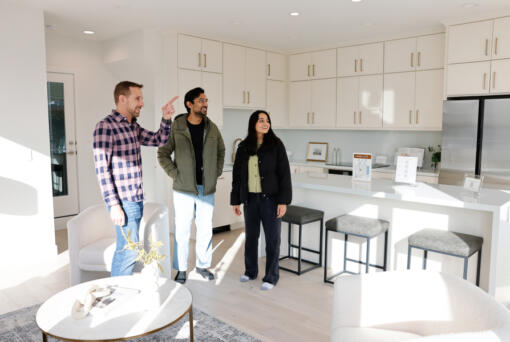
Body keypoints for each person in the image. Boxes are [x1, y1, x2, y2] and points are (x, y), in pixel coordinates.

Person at [93, 81, 178, 277]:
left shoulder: (132, 127)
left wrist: (166, 119)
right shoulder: (105, 127)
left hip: (136, 198)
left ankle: (118, 293)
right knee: (129, 251)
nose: (142, 103)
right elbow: (102, 170)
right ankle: (117, 295)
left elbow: (159, 139)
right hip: (123, 201)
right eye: (137, 98)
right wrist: (113, 204)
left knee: (128, 249)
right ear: (122, 99)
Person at [157, 87, 225, 284]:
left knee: (205, 229)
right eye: (201, 100)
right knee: (182, 230)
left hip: (206, 188)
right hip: (183, 189)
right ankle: (181, 270)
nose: (205, 104)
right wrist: (175, 174)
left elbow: (221, 150)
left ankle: (203, 266)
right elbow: (162, 154)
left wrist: (216, 172)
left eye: (206, 100)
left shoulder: (211, 127)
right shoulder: (176, 126)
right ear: (189, 104)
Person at [231, 110, 292, 290]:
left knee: (273, 240)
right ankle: (250, 271)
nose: (265, 123)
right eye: (261, 120)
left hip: (271, 200)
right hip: (250, 200)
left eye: (267, 120)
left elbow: (284, 175)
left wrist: (283, 202)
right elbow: (237, 176)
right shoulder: (243, 147)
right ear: (253, 124)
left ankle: (271, 276)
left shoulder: (276, 145)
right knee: (251, 237)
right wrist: (236, 200)